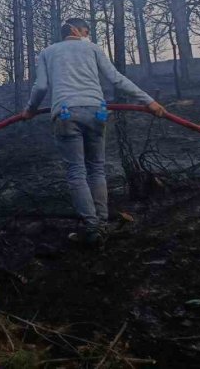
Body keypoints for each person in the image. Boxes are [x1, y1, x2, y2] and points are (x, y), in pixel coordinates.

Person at [22, 18, 166, 248]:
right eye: (86, 31)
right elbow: (116, 78)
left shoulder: (48, 52)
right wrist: (149, 101)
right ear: (74, 29)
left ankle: (92, 228)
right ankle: (102, 224)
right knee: (97, 170)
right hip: (97, 113)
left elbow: (40, 87)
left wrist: (30, 109)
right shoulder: (93, 49)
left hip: (66, 114)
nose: (87, 35)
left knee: (76, 172)